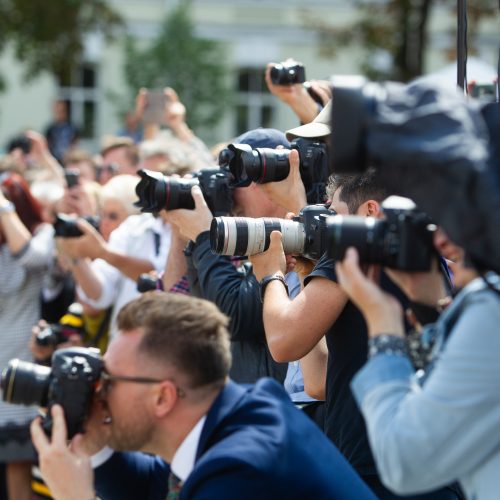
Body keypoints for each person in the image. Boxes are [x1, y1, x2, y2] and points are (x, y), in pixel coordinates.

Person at [31, 292, 376, 500]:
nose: (97, 393)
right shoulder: (253, 405)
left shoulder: (240, 472)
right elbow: (156, 487)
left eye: (108, 383)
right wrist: (96, 443)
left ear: (164, 398)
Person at [251, 168, 460, 499]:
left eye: (333, 215)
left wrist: (270, 275)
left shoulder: (357, 247)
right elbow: (317, 381)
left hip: (377, 468)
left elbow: (283, 342)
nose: (326, 227)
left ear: (370, 211)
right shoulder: (420, 256)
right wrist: (308, 277)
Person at [335, 230, 500, 499]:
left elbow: (403, 462)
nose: (440, 241)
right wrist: (429, 300)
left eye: (459, 218)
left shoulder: (490, 308)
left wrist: (383, 323)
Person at [0, 173, 54, 500]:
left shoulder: (42, 234)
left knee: (19, 465)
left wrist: (4, 211)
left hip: (22, 365)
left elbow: (33, 259)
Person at [44, 100, 78, 164]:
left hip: (68, 159)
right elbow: (47, 145)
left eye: (61, 111)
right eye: (57, 111)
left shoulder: (72, 128)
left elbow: (75, 143)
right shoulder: (50, 129)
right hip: (54, 159)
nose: (59, 114)